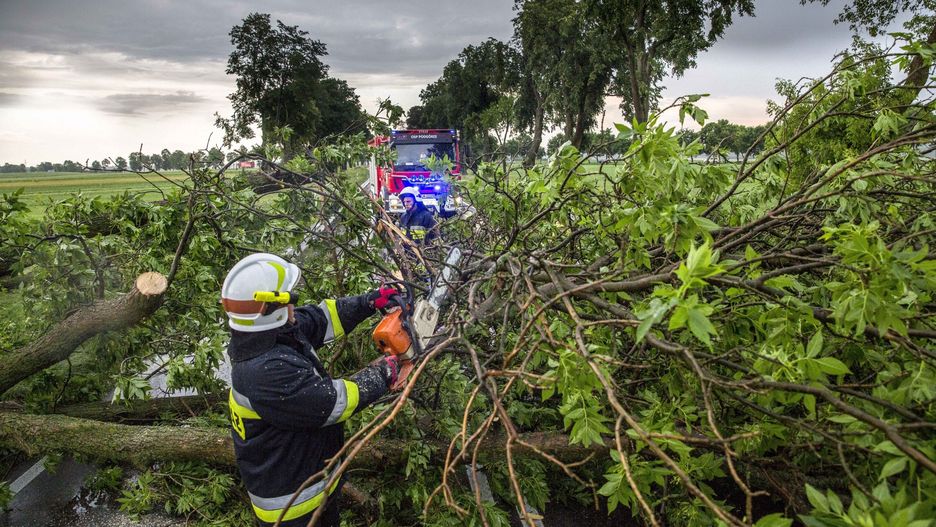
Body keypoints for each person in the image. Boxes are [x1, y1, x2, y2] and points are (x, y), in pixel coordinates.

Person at [221, 253, 409, 527]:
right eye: (288, 299)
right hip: (291, 508)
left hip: (313, 484)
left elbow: (324, 317)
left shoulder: (269, 334)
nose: (294, 307)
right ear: (271, 309)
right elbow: (332, 403)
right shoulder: (263, 371)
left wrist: (371, 301)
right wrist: (384, 372)